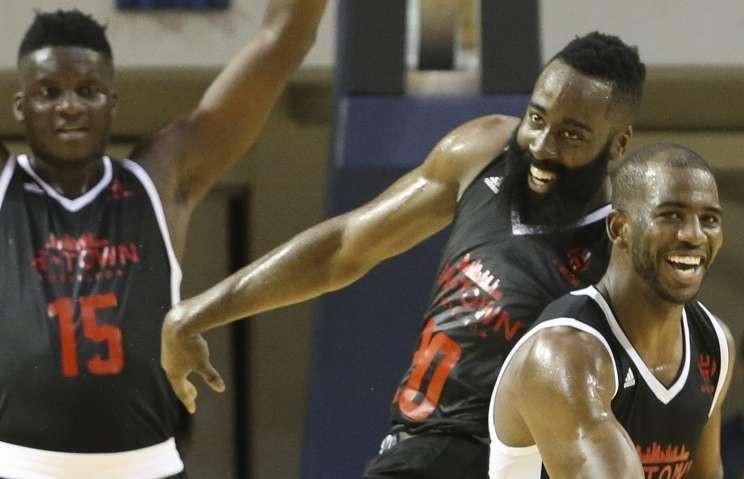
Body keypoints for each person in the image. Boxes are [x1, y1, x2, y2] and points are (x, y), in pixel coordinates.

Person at [161, 32, 646, 477]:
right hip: (416, 448)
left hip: (511, 460)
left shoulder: (623, 248)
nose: (542, 145)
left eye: (571, 135)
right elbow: (343, 247)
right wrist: (196, 313)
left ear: (617, 144)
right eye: (537, 119)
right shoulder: (482, 150)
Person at [0, 2, 326, 478]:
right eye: (49, 92)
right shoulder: (6, 186)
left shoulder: (160, 177)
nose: (69, 106)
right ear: (21, 106)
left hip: (147, 467)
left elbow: (281, 43)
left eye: (88, 90)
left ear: (112, 102)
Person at [488, 144, 735, 478]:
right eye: (671, 215)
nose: (693, 235)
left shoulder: (715, 344)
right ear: (619, 228)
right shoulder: (563, 354)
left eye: (709, 220)